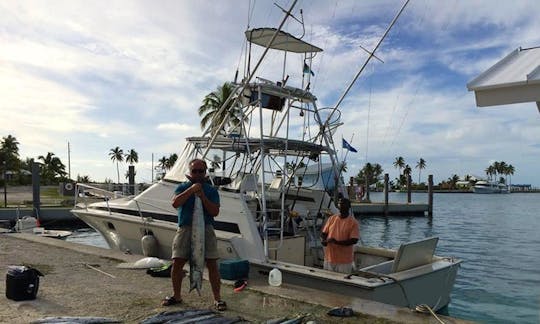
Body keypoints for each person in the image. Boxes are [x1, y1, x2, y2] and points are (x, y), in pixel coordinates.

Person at [161, 158, 227, 311]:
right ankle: (176, 296)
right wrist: (191, 190)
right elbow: (175, 203)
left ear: (205, 173)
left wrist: (202, 196)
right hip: (185, 229)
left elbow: (214, 212)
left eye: (201, 171)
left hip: (206, 229)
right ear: (190, 173)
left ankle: (218, 299)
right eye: (194, 171)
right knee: (177, 262)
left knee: (212, 264)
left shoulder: (211, 191)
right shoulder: (182, 187)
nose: (197, 174)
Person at [320, 198, 359, 274]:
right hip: (329, 259)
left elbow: (354, 240)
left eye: (343, 204)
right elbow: (323, 234)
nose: (341, 205)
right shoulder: (332, 218)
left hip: (344, 261)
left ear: (349, 206)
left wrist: (336, 242)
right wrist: (323, 241)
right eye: (340, 203)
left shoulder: (353, 222)